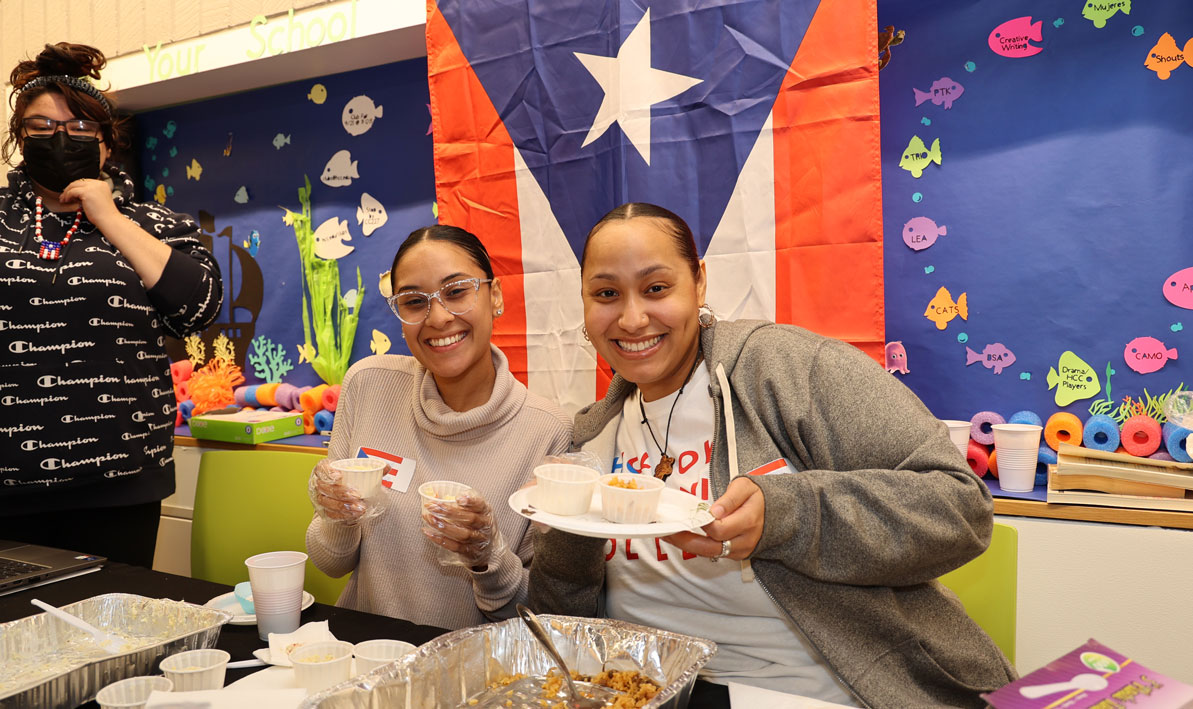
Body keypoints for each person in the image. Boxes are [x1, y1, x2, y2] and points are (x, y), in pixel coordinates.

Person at [530, 203, 1016, 707]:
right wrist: (567, 528)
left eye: (656, 288)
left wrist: (789, 514)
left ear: (698, 283)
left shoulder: (783, 371)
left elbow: (961, 508)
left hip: (818, 691)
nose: (632, 319)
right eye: (606, 294)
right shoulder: (591, 439)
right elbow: (557, 623)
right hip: (650, 692)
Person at [0, 43, 222, 567]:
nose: (59, 138)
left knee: (114, 635)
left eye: (79, 129)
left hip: (119, 482)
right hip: (6, 483)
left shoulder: (154, 223)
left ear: (105, 145)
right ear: (18, 138)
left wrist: (111, 216)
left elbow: (200, 306)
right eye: (40, 127)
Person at [306, 225, 571, 630]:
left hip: (475, 675)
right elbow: (331, 563)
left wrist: (487, 556)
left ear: (495, 296)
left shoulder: (549, 431)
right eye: (414, 301)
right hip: (365, 656)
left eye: (457, 291)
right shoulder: (368, 384)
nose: (439, 317)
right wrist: (335, 518)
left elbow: (537, 616)